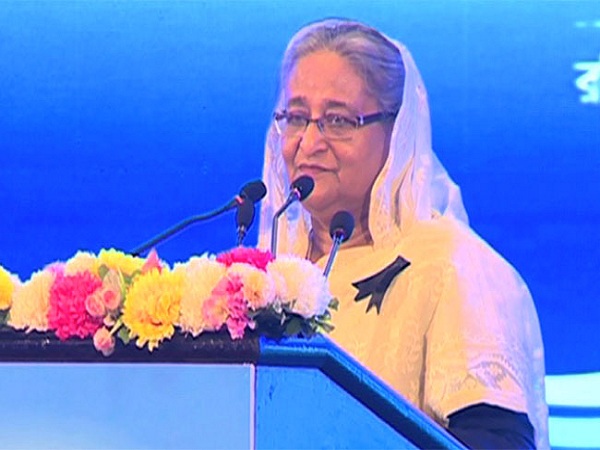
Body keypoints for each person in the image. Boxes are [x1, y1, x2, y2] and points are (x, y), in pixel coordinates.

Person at [257, 18, 549, 449]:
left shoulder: (452, 266)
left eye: (338, 120)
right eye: (297, 117)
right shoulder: (269, 276)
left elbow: (496, 440)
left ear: (397, 132)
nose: (309, 141)